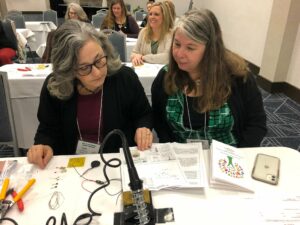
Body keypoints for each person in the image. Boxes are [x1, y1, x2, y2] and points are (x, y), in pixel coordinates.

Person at [27, 20, 153, 169]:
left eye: (99, 59)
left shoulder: (124, 78)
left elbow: (144, 114)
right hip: (73, 165)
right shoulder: (55, 86)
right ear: (68, 69)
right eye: (84, 67)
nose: (98, 72)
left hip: (117, 163)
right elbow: (47, 128)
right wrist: (43, 145)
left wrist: (143, 127)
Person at [151, 9, 267, 148]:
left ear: (210, 50)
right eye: (177, 44)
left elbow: (256, 124)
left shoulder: (238, 78)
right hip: (182, 156)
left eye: (190, 48)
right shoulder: (165, 77)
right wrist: (171, 149)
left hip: (228, 156)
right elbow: (159, 121)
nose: (179, 54)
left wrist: (239, 157)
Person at [130, 1, 174, 66]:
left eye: (156, 14)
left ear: (164, 17)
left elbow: (167, 57)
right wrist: (135, 56)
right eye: (150, 14)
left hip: (163, 73)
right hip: (144, 72)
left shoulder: (171, 34)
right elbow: (134, 53)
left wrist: (143, 57)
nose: (152, 17)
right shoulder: (143, 32)